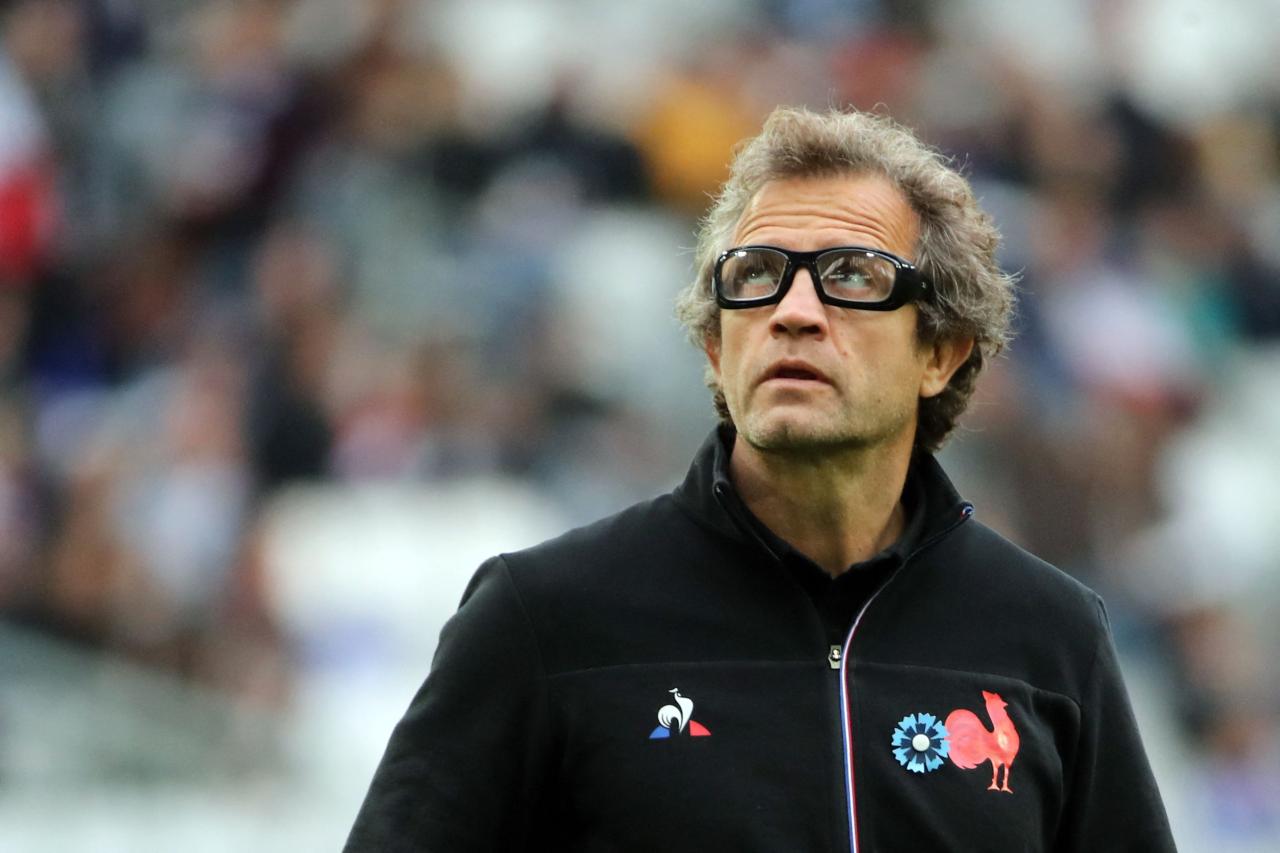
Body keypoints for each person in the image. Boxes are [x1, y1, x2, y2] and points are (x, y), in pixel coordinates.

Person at [345, 106, 1175, 852]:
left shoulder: (1052, 636)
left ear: (941, 353)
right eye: (755, 275)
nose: (794, 311)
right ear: (716, 346)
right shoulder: (543, 617)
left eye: (851, 275)